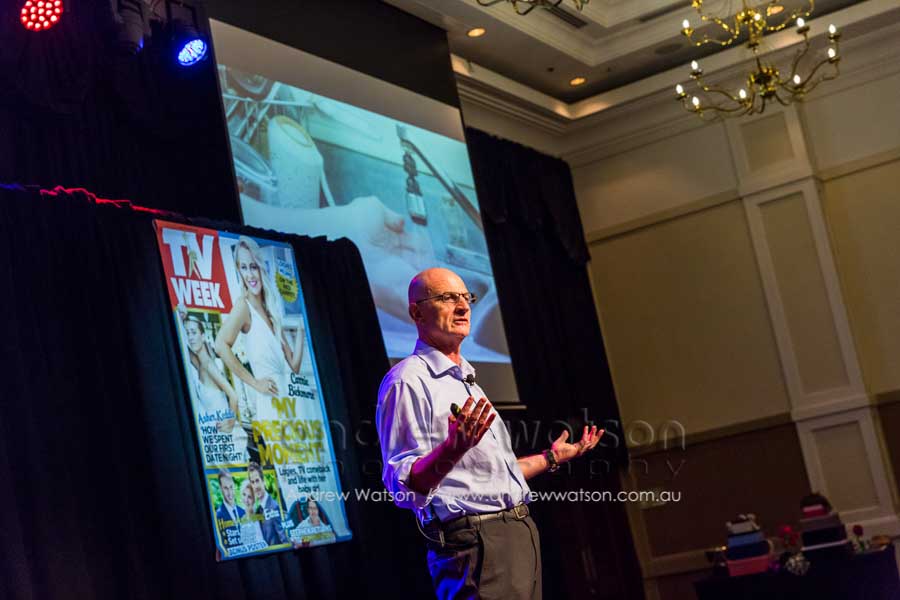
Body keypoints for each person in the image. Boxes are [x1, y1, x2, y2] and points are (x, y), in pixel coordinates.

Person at [376, 268, 603, 600]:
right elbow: (404, 488)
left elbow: (492, 474)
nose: (463, 306)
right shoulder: (408, 381)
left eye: (465, 297)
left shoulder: (465, 379)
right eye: (446, 298)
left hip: (516, 533)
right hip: (478, 541)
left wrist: (552, 457)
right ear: (415, 312)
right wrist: (454, 448)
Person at [215, 236, 305, 404]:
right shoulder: (243, 306)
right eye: (244, 267)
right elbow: (220, 345)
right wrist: (255, 383)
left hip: (290, 404)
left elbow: (294, 366)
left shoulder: (271, 311)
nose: (250, 274)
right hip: (270, 405)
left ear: (261, 268)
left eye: (254, 266)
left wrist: (302, 327)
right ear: (239, 270)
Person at [179, 308, 249, 462]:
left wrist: (231, 421)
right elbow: (181, 345)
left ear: (203, 336)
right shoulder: (199, 363)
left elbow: (233, 396)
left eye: (193, 332)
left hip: (230, 439)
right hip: (216, 439)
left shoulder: (209, 365)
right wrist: (179, 317)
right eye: (187, 333)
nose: (190, 338)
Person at [247, 461, 287, 546]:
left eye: (257, 481)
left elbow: (283, 538)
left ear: (263, 481)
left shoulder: (274, 506)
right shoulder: (258, 510)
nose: (256, 486)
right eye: (252, 482)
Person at [215, 470, 246, 549]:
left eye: (231, 487)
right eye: (226, 488)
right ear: (220, 488)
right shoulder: (217, 515)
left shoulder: (243, 512)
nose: (230, 493)